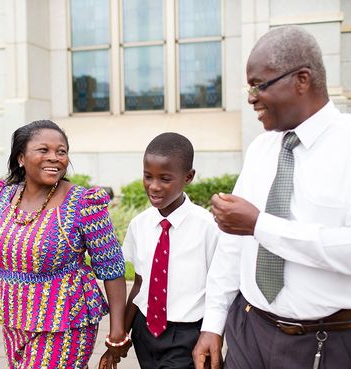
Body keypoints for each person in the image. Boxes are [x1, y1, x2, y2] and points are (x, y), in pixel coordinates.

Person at [193, 26, 351, 369]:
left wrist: (261, 226)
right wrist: (213, 324)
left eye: (259, 85)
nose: (251, 97)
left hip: (326, 343)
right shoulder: (261, 148)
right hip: (248, 332)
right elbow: (232, 244)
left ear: (302, 79)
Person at [0, 120, 130, 369]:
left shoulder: (84, 204)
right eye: (43, 150)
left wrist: (117, 331)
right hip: (15, 318)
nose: (54, 157)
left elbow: (112, 269)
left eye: (61, 151)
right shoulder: (2, 196)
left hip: (66, 320)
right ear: (21, 157)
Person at [111, 133, 218, 369]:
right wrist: (121, 337)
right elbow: (139, 284)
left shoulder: (208, 227)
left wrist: (213, 335)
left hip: (187, 334)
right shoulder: (140, 224)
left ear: (188, 177)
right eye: (148, 176)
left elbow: (218, 289)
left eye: (165, 179)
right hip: (145, 331)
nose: (154, 186)